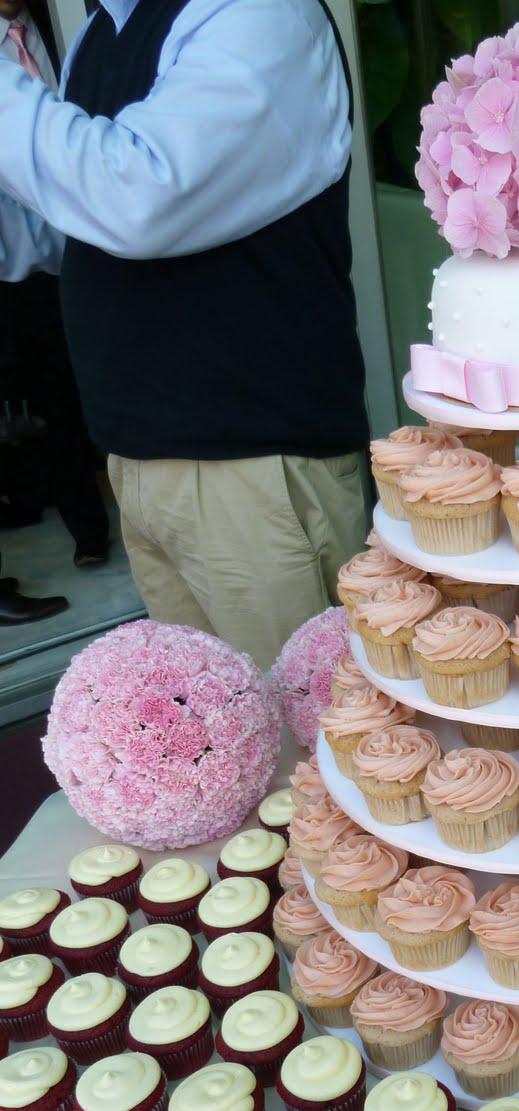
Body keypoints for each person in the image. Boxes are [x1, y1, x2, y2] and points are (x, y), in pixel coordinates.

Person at [0, 0, 369, 668]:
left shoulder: (260, 14)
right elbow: (73, 230)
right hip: (140, 460)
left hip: (251, 470)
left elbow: (140, 197)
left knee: (310, 755)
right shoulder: (102, 32)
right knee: (213, 755)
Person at [0, 0, 110, 569]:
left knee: (68, 396)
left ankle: (90, 529)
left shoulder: (69, 26)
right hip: (10, 269)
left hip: (76, 256)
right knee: (39, 402)